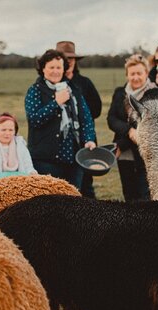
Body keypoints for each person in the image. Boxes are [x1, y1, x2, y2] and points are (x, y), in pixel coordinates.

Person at [24, 49, 96, 190]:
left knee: (73, 199)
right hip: (45, 159)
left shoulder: (73, 89)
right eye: (51, 67)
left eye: (59, 67)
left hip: (74, 157)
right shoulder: (35, 90)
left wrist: (89, 139)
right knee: (50, 201)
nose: (55, 71)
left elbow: (86, 118)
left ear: (64, 69)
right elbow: (34, 119)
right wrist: (55, 103)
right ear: (43, 69)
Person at [56, 40, 102, 198]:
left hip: (84, 141)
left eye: (71, 59)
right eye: (64, 59)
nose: (68, 62)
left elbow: (97, 109)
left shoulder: (84, 83)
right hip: (60, 145)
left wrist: (80, 113)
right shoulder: (53, 83)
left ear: (75, 61)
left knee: (86, 185)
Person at [107, 54, 155, 202]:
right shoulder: (119, 93)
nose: (135, 77)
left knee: (145, 197)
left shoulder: (153, 94)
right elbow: (111, 119)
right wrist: (129, 130)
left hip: (146, 154)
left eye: (139, 73)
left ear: (146, 73)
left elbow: (146, 124)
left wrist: (121, 144)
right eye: (132, 74)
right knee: (129, 195)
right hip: (124, 156)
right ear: (127, 75)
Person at [0, 112, 37, 180]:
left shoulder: (21, 147)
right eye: (3, 130)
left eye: (11, 130)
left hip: (20, 183)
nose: (7, 133)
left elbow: (28, 166)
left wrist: (32, 173)